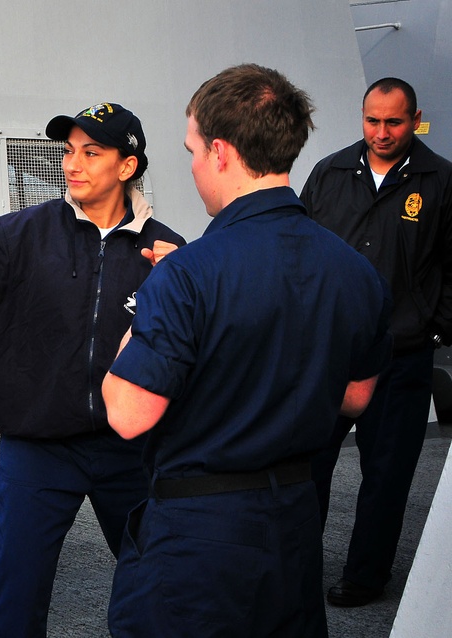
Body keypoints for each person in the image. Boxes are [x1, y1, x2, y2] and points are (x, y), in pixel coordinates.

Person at [101, 64, 392, 637]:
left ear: (220, 151)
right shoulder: (356, 272)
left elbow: (129, 415)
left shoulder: (186, 275)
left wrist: (143, 318)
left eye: (191, 151)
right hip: (293, 524)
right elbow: (356, 398)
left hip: (197, 536)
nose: (191, 167)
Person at [0, 102, 184, 637]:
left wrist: (178, 283)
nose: (72, 164)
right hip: (37, 445)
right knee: (15, 592)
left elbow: (189, 354)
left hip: (128, 448)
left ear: (127, 166)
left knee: (160, 579)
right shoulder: (24, 232)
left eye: (91, 152)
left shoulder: (166, 251)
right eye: (67, 152)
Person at [301, 77, 452, 607]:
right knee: (306, 464)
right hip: (330, 354)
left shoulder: (441, 180)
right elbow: (300, 249)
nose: (381, 132)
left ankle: (365, 578)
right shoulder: (331, 172)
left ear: (415, 119)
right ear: (361, 117)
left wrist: (436, 329)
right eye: (372, 120)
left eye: (393, 121)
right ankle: (296, 570)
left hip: (401, 356)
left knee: (386, 476)